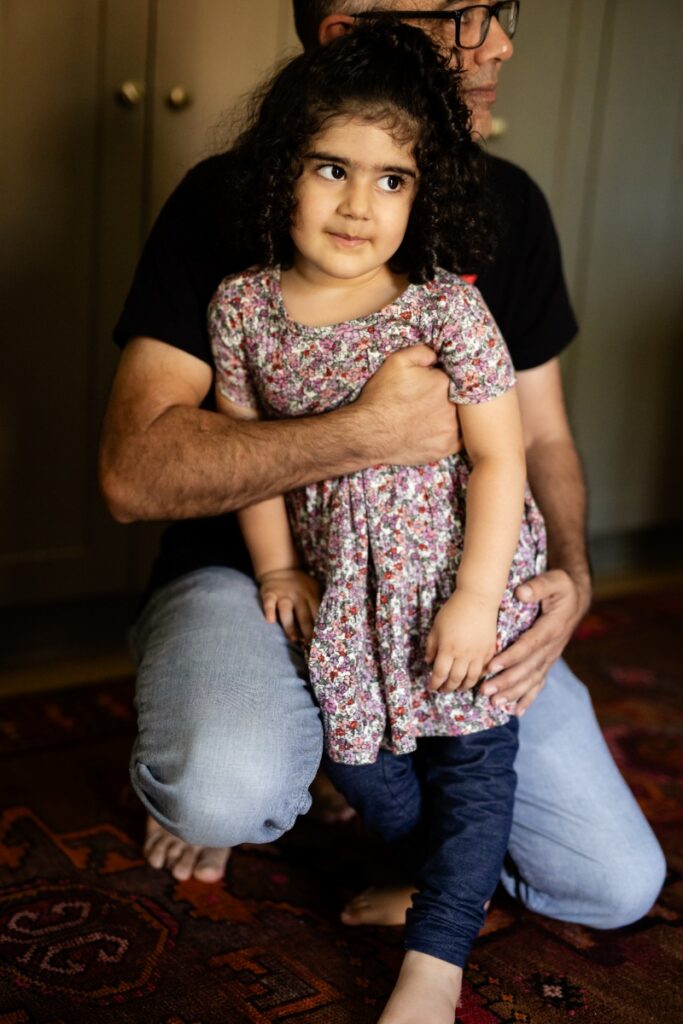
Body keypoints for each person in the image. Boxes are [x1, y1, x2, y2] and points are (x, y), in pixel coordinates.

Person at [100, 0, 664, 924]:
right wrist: (367, 431)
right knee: (220, 789)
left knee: (607, 883)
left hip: (446, 580)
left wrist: (567, 570)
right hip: (256, 580)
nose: (501, 42)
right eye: (464, 13)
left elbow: (542, 438)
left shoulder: (506, 206)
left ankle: (397, 798)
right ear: (347, 31)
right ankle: (288, 752)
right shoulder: (224, 210)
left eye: (500, 11)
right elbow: (132, 474)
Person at [207, 23, 546, 1020]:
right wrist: (276, 569)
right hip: (347, 595)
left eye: (391, 179)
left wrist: (477, 598)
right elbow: (245, 455)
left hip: (455, 575)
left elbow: (500, 456)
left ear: (423, 191)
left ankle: (433, 962)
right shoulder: (242, 309)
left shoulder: (443, 311)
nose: (359, 204)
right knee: (357, 758)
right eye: (330, 168)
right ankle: (437, 874)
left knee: (472, 764)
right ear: (284, 170)